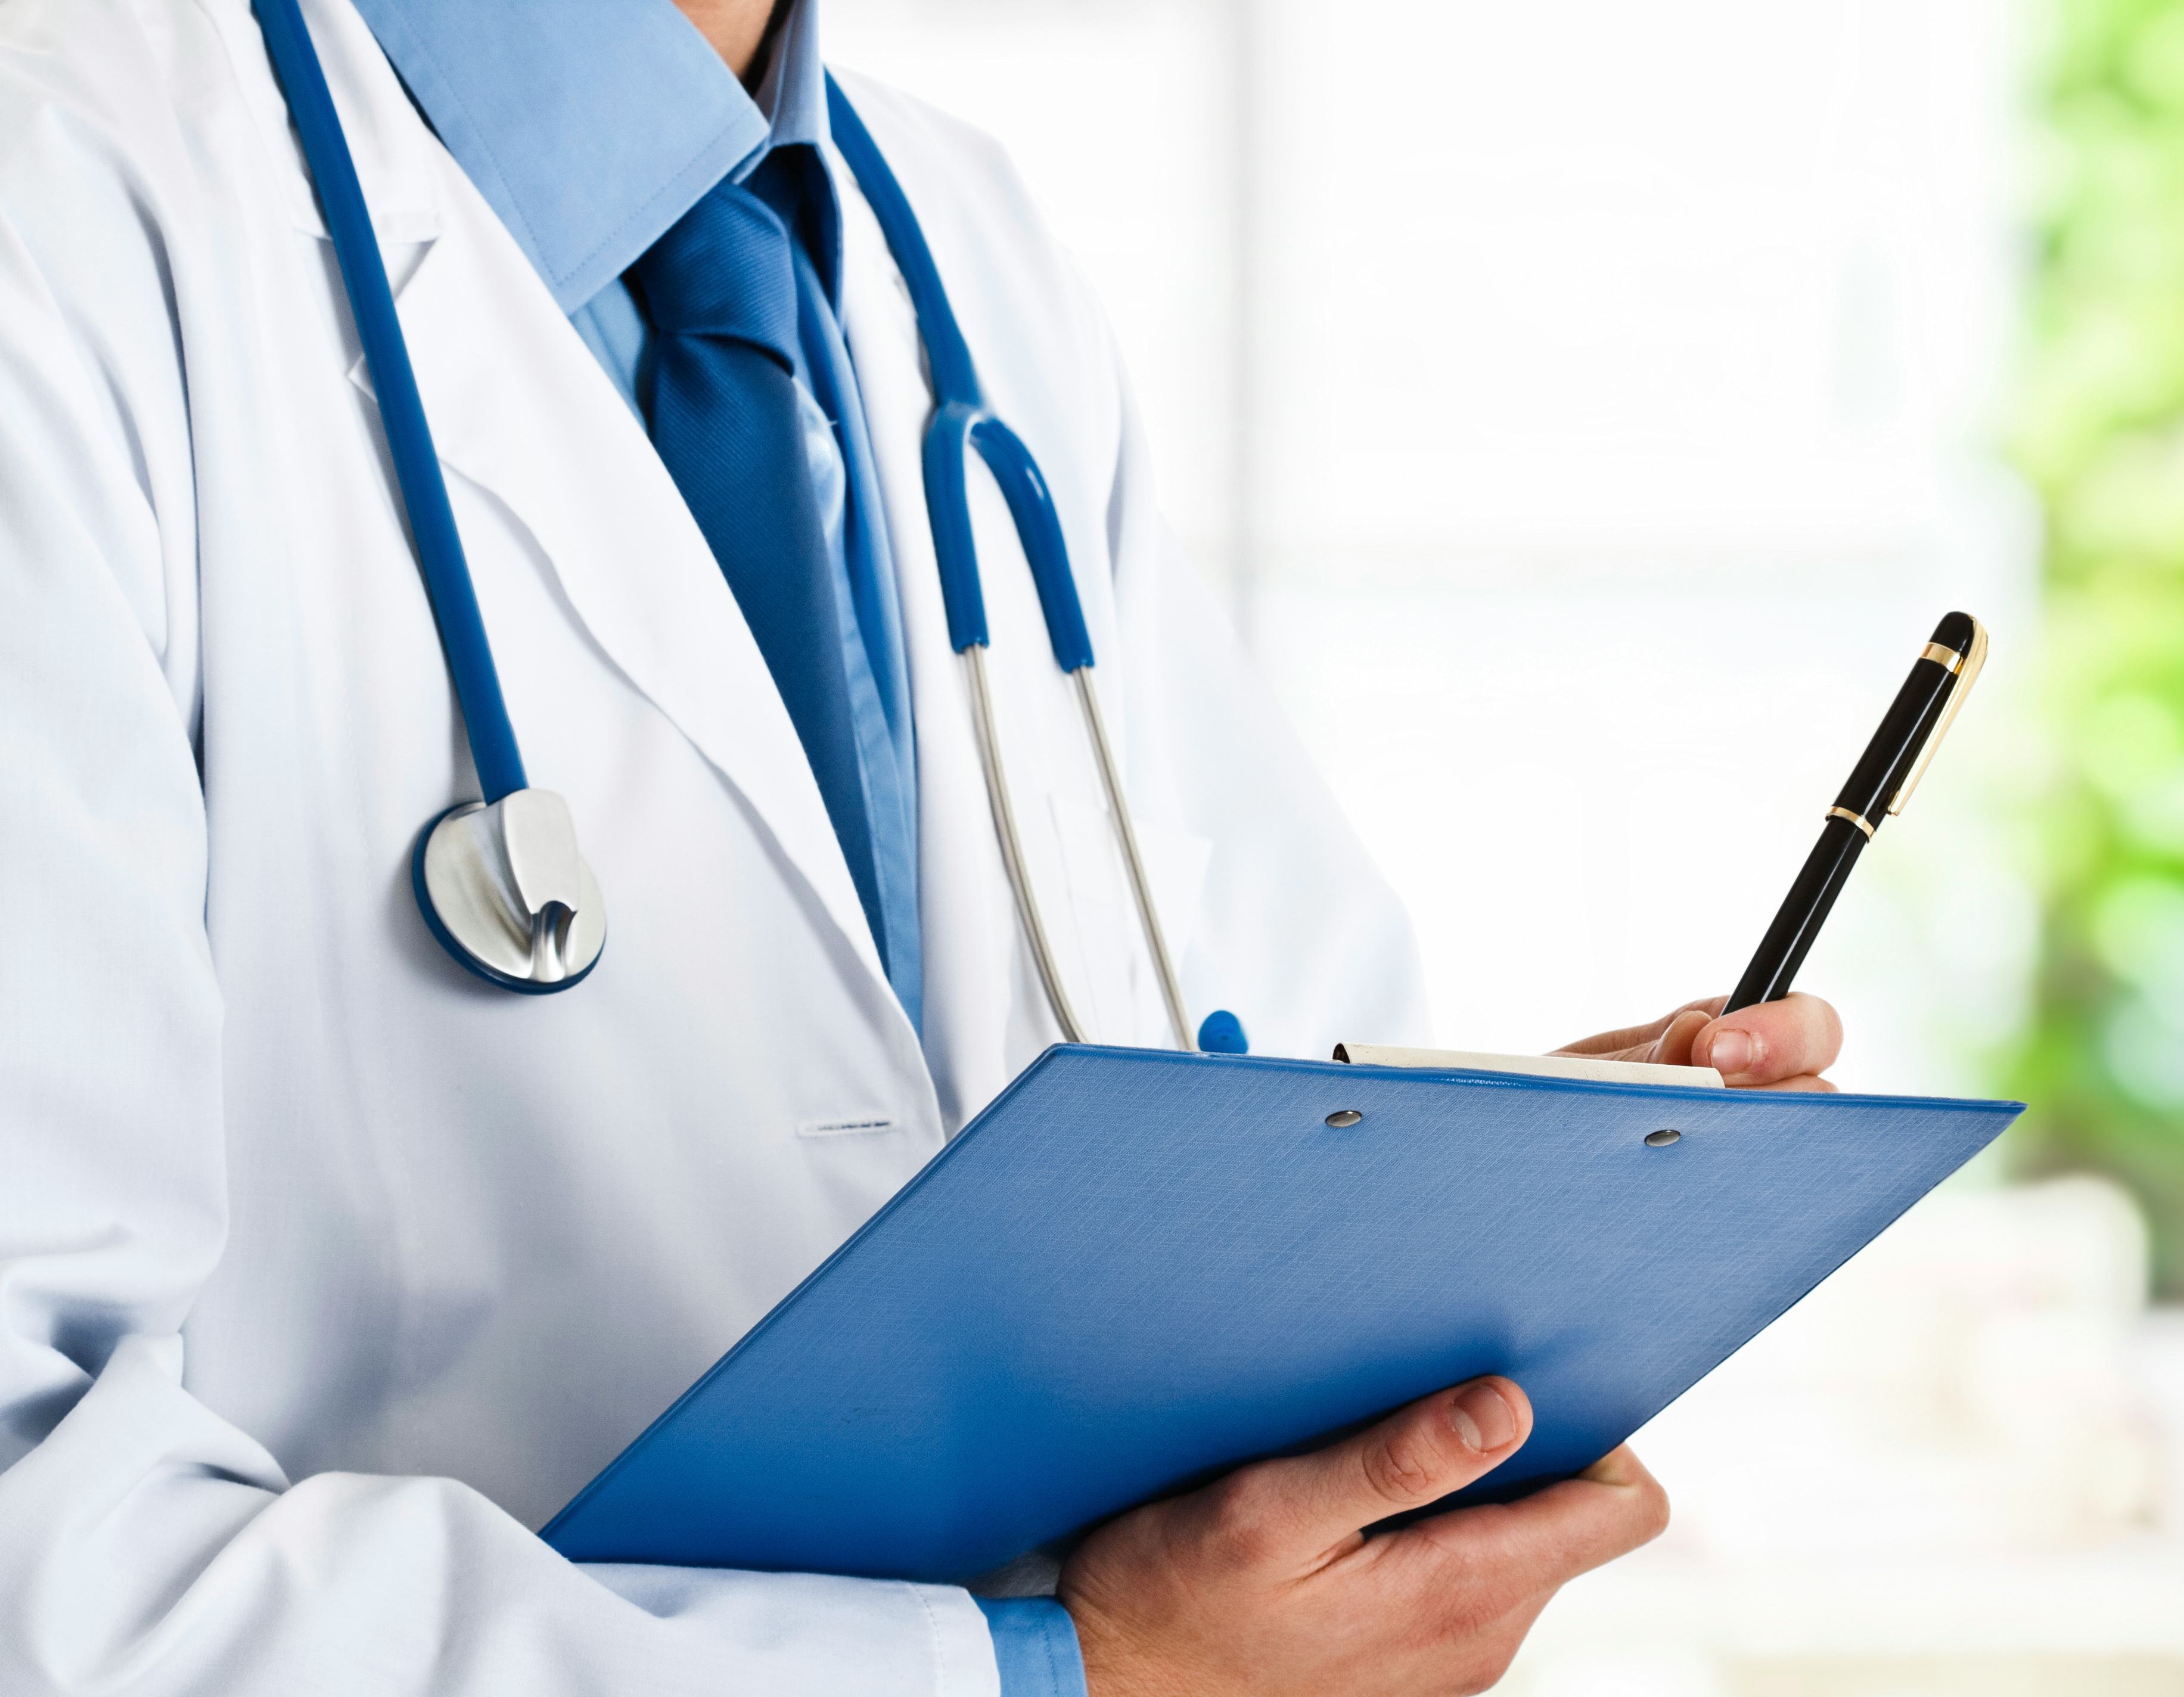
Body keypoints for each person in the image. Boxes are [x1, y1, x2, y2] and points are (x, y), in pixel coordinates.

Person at [0, 0, 1845, 1692]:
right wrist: (1060, 1677)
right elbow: (35, 1548)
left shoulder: (960, 245)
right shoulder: (67, 206)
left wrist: (1469, 1245)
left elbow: (1236, 1073)